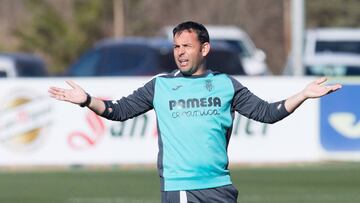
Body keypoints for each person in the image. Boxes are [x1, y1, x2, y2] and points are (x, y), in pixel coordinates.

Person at [48, 21, 342, 203]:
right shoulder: (160, 86)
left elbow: (267, 113)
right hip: (182, 187)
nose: (180, 52)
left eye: (187, 46)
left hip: (221, 187)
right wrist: (87, 99)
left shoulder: (226, 85)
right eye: (176, 46)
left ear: (204, 49)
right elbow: (119, 110)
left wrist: (303, 94)